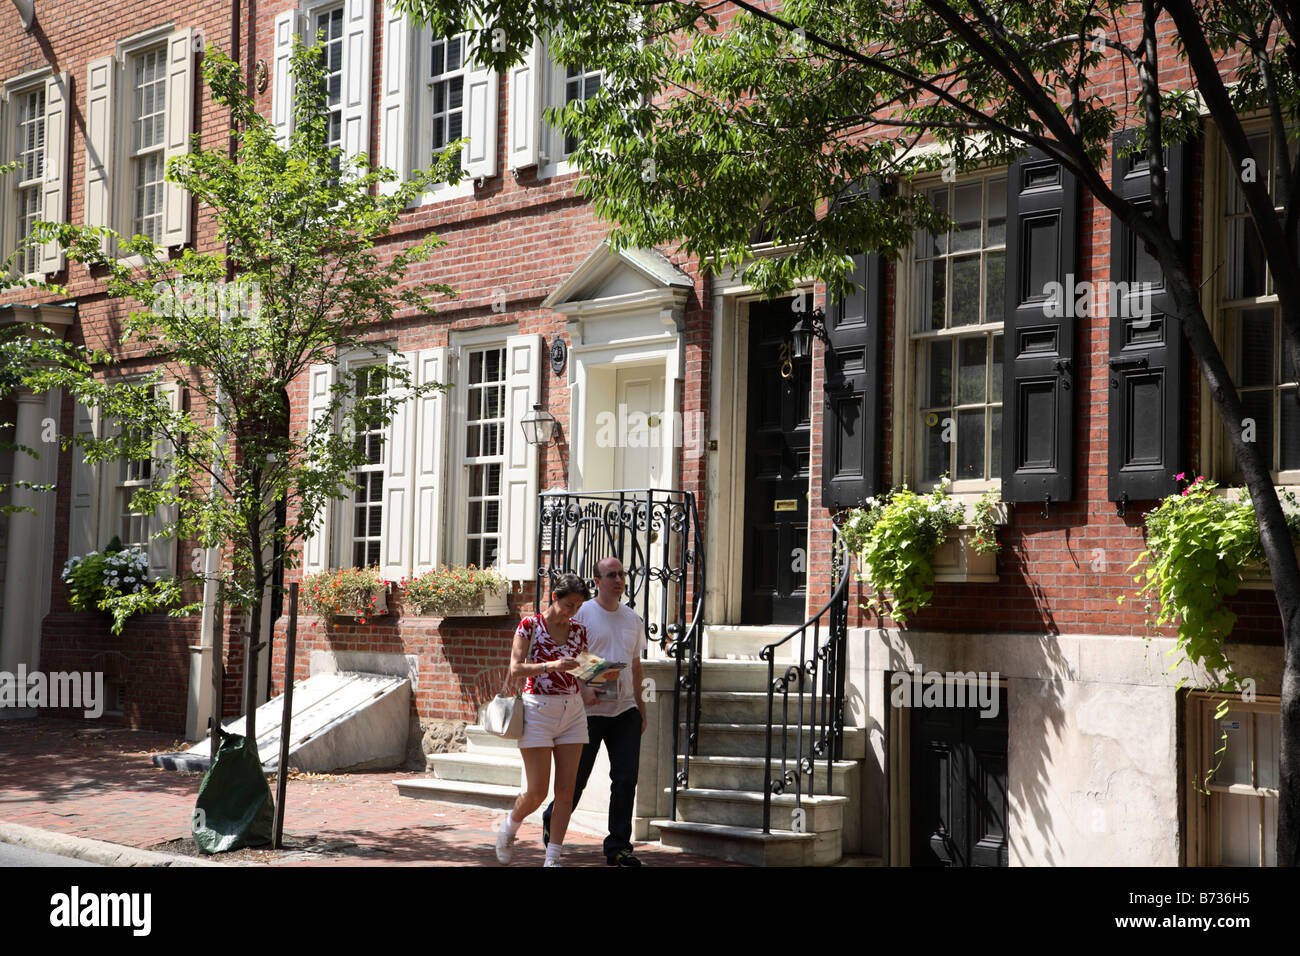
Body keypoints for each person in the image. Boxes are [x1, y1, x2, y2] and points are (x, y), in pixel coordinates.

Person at [541, 556, 648, 867]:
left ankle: (619, 847)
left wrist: (641, 706)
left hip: (625, 710)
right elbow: (569, 654)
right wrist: (597, 678)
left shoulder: (632, 619)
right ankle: (553, 817)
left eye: (621, 574)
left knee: (626, 779)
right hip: (587, 712)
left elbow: (636, 664)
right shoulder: (583, 613)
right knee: (576, 779)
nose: (618, 580)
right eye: (610, 575)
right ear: (597, 581)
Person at [495, 573, 590, 868]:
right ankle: (510, 825)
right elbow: (516, 669)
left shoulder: (579, 631)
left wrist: (603, 676)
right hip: (537, 710)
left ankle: (552, 858)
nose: (572, 611)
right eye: (569, 604)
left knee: (565, 792)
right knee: (537, 791)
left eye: (578, 606)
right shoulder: (530, 625)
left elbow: (583, 671)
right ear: (555, 597)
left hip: (572, 711)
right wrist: (552, 666)